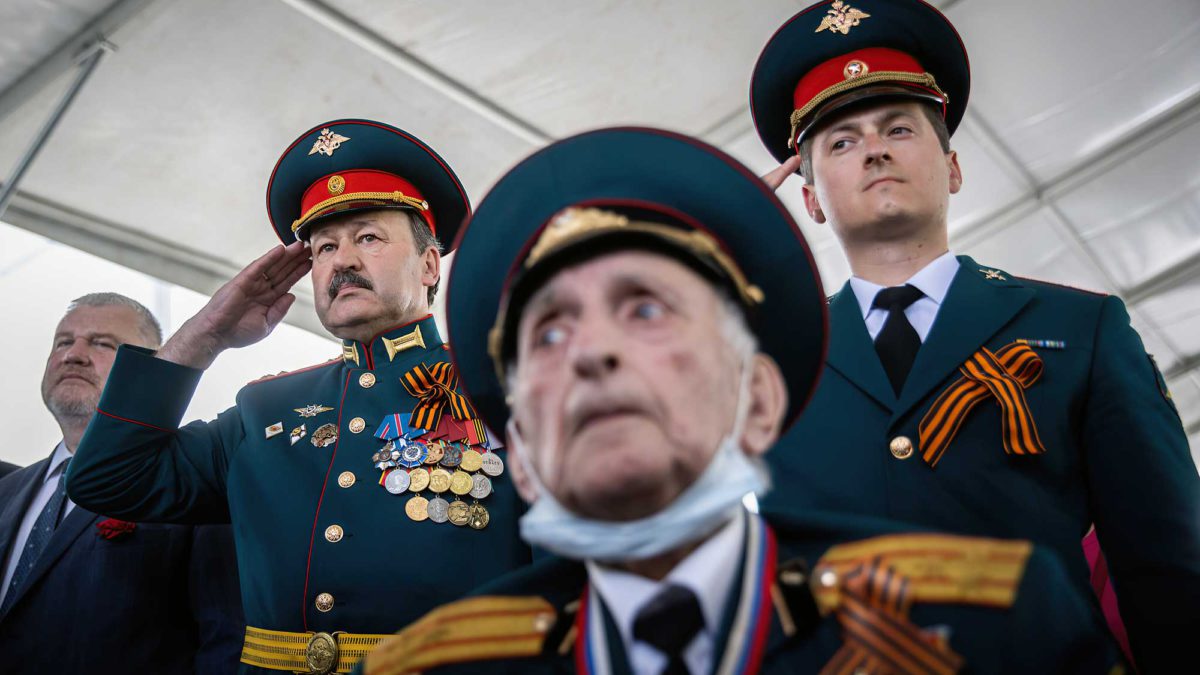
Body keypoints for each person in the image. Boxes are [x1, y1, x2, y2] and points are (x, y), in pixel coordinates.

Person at [359, 127, 1120, 674]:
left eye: (647, 309)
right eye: (550, 334)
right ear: (519, 454)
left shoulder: (991, 625)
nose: (592, 351)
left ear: (757, 401)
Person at [748, 1, 1200, 670]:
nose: (873, 147)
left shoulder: (1081, 327)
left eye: (899, 128)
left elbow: (1168, 564)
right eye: (840, 141)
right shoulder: (765, 359)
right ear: (811, 199)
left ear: (954, 169)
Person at [67, 120, 531, 674]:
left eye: (368, 237)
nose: (342, 261)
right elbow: (106, 480)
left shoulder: (505, 386)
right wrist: (206, 333)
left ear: (430, 263)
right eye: (324, 248)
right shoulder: (266, 410)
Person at [0, 293, 243, 673]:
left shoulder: (191, 485)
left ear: (153, 367)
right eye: (63, 342)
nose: (73, 355)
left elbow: (225, 638)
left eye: (102, 343)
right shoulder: (7, 492)